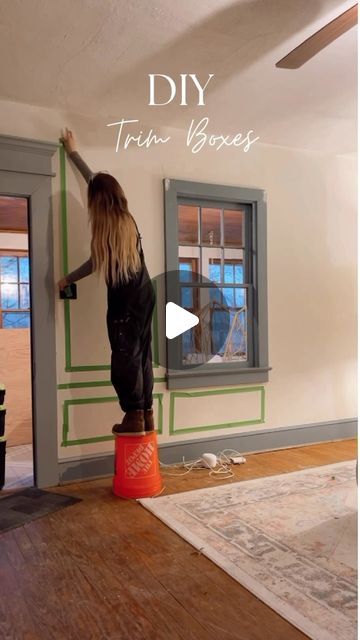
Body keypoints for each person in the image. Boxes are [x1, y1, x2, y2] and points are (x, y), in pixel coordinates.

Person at [59, 129, 156, 436]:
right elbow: (94, 182)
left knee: (124, 357)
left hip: (125, 302)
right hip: (144, 293)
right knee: (142, 354)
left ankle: (134, 416)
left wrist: (66, 279)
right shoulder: (126, 217)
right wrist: (74, 153)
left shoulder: (108, 228)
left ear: (96, 203)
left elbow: (94, 264)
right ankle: (146, 413)